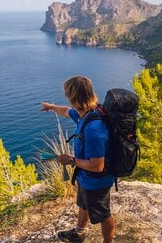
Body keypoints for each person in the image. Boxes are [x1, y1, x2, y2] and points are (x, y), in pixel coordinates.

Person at [40, 76, 115, 243]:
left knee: (103, 214)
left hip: (96, 180)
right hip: (85, 176)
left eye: (67, 94)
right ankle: (79, 233)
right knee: (83, 204)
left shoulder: (94, 128)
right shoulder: (86, 113)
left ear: (73, 97)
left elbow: (97, 166)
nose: (66, 97)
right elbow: (67, 111)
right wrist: (51, 107)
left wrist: (71, 160)